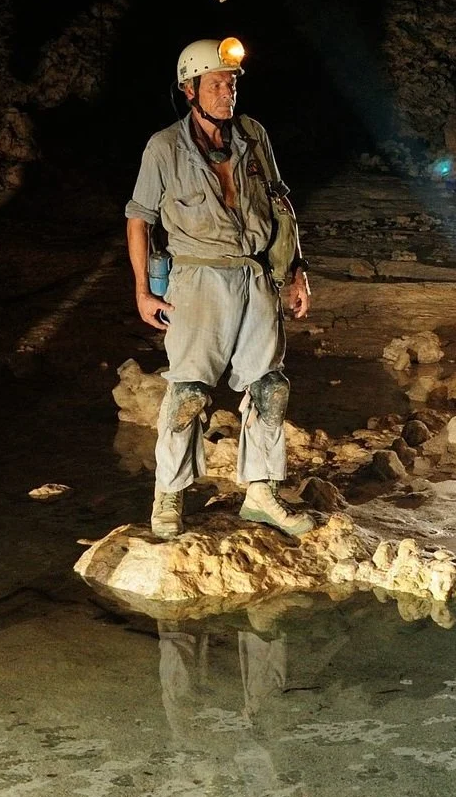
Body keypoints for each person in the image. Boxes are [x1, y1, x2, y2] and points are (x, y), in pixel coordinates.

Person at [124, 36, 316, 542]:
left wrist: (296, 271)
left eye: (231, 82)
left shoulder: (254, 136)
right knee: (188, 391)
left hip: (255, 275)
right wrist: (143, 291)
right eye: (216, 83)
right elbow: (139, 219)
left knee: (270, 387)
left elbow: (281, 207)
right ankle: (169, 495)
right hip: (198, 278)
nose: (227, 91)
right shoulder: (164, 147)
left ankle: (261, 493)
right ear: (190, 89)